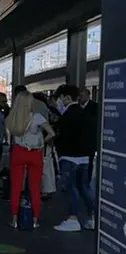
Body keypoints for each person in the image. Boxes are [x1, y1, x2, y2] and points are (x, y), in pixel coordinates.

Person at [5, 91, 55, 229]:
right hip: (34, 153)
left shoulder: (12, 118)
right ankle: (34, 220)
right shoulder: (37, 117)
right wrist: (42, 141)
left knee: (15, 187)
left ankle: (14, 219)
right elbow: (52, 133)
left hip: (18, 152)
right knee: (34, 187)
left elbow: (10, 138)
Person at [53, 84, 96, 232]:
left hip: (69, 157)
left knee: (71, 189)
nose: (59, 101)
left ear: (66, 97)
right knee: (84, 188)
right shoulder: (84, 113)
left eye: (60, 97)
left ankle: (73, 219)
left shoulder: (68, 115)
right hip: (84, 157)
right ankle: (92, 218)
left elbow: (64, 137)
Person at [79, 87, 99, 184]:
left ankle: (87, 180)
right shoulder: (77, 106)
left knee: (89, 161)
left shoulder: (95, 107)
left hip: (90, 140)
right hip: (79, 140)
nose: (80, 98)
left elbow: (94, 124)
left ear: (88, 95)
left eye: (82, 96)